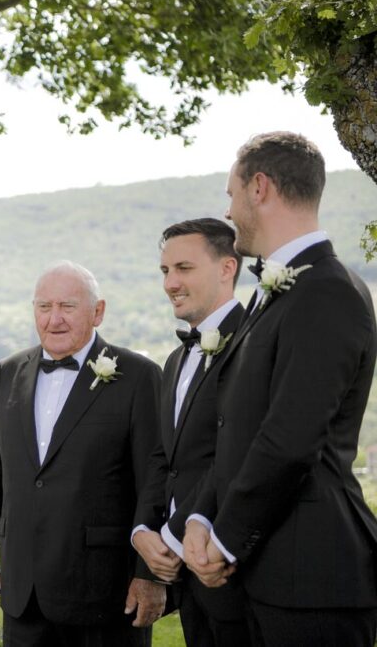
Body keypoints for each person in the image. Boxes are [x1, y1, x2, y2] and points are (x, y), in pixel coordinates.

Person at [183, 132, 377, 646]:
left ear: (260, 188)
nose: (228, 210)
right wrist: (201, 515)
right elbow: (238, 426)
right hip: (264, 573)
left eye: (231, 193)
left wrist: (223, 538)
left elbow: (290, 439)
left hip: (313, 577)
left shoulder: (329, 292)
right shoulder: (274, 294)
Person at [0, 261, 165, 646]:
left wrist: (150, 575)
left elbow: (155, 482)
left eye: (67, 306)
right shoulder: (9, 371)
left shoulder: (139, 376)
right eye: (44, 307)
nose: (53, 319)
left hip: (105, 594)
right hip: (22, 593)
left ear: (98, 311)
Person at [131, 218, 250, 646]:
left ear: (226, 268)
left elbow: (234, 456)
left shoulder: (252, 345)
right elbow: (165, 458)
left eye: (184, 268)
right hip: (188, 578)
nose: (171, 283)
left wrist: (171, 535)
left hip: (236, 567)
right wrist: (143, 530)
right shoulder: (175, 362)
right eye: (165, 271)